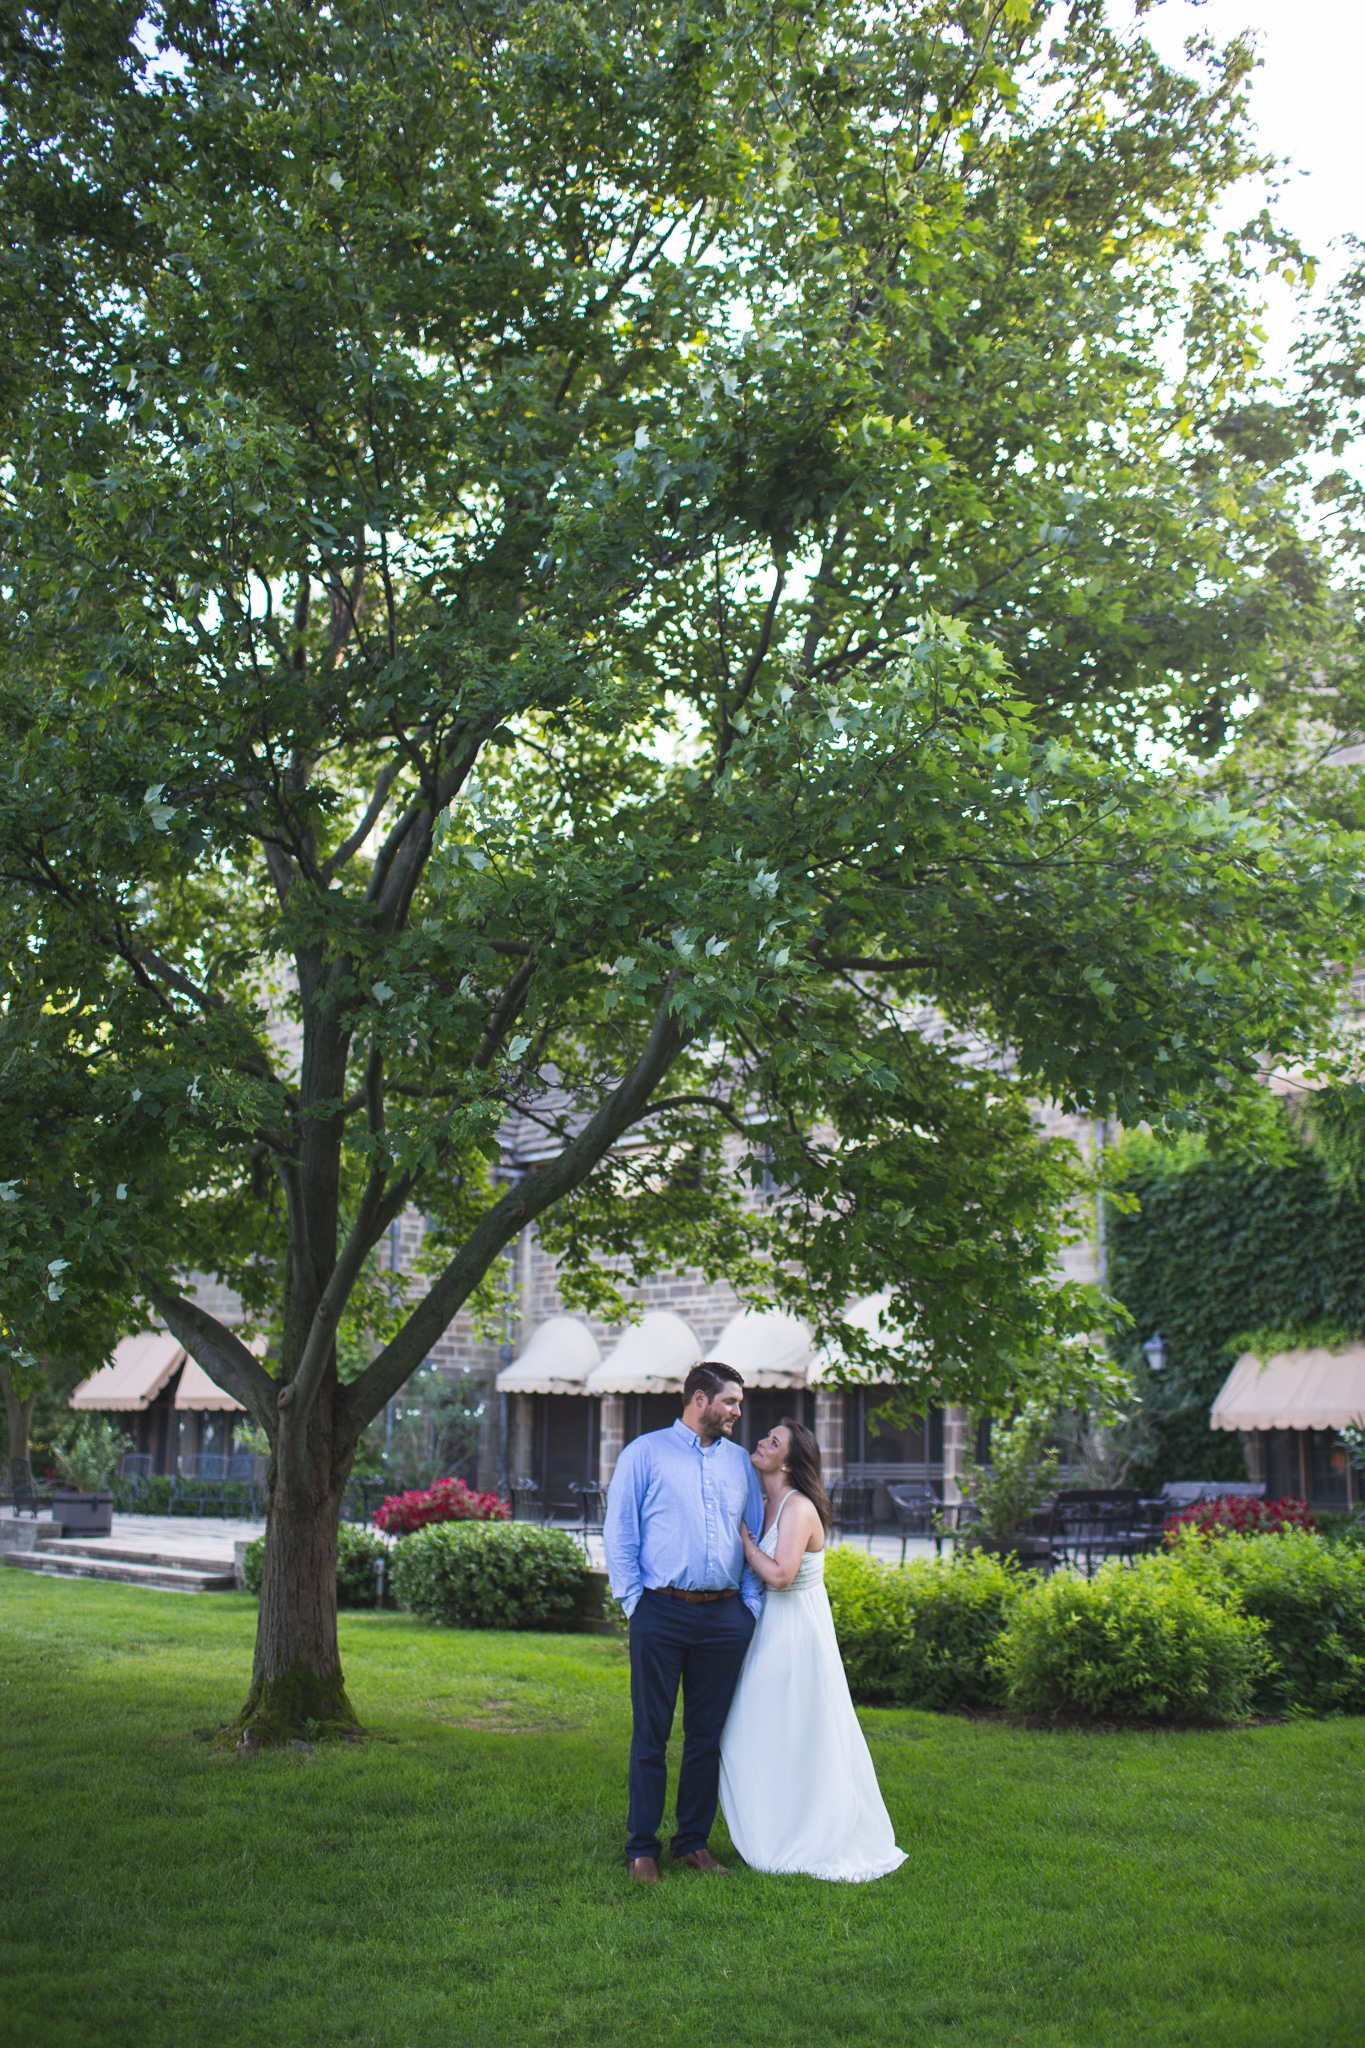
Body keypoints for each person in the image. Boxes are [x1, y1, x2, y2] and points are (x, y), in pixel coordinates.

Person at [719, 1418, 907, 1883]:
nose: (761, 1442)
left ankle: (805, 1833)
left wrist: (743, 1542)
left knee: (798, 1734)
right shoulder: (768, 1502)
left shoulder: (798, 1507)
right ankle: (772, 1828)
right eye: (767, 1437)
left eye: (774, 1441)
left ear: (791, 1461)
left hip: (795, 1634)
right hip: (768, 1629)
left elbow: (781, 1574)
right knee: (755, 1734)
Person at [602, 1361, 764, 1884]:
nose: (738, 1411)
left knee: (706, 1737)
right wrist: (635, 1604)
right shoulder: (644, 1454)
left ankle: (692, 1842)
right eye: (730, 1402)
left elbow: (754, 1535)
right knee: (650, 1733)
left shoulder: (741, 1464)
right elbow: (620, 1534)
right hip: (660, 1611)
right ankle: (641, 1848)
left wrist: (748, 1609)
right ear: (700, 1399)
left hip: (724, 1617)